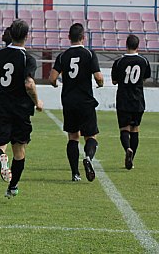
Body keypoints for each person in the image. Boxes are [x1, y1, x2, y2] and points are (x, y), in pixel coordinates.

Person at [0, 19, 43, 198]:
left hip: (0, 107)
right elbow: (29, 84)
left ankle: (2, 159)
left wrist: (2, 82)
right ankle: (13, 186)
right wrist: (37, 101)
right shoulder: (28, 58)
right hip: (21, 109)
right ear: (26, 36)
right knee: (19, 151)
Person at [49, 23, 103, 182]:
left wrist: (56, 84)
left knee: (73, 137)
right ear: (83, 37)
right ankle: (88, 157)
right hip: (86, 101)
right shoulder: (89, 54)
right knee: (91, 136)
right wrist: (100, 84)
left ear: (68, 37)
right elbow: (99, 77)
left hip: (69, 101)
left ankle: (75, 174)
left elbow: (52, 78)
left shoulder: (62, 56)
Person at [111, 34, 151, 170]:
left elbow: (114, 81)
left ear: (126, 45)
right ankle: (131, 159)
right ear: (138, 46)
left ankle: (127, 148)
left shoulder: (118, 62)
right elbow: (145, 78)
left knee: (124, 129)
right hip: (138, 100)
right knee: (135, 129)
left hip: (123, 99)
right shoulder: (144, 61)